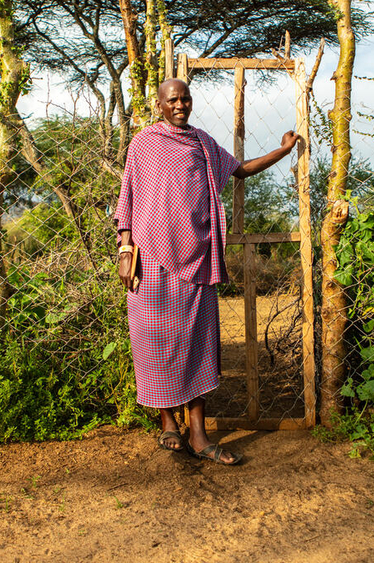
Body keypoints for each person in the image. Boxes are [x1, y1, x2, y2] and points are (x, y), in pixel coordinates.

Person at [114, 78, 298, 465]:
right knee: (155, 341)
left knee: (197, 344)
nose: (180, 105)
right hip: (150, 262)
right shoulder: (144, 144)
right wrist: (125, 249)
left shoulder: (201, 143)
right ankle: (168, 424)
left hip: (197, 260)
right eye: (173, 100)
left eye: (185, 99)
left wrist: (284, 150)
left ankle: (198, 434)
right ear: (160, 105)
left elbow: (242, 170)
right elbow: (127, 198)